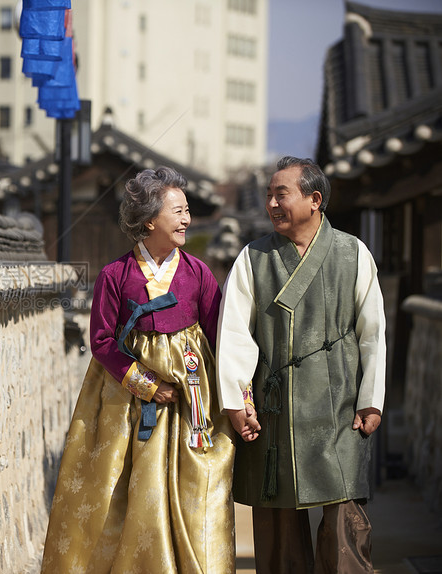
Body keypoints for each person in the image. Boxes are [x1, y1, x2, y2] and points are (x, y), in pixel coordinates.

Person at [41, 167, 235, 573]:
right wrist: (146, 383)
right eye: (177, 211)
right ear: (149, 220)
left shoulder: (198, 273)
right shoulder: (115, 276)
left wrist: (240, 396)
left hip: (189, 403)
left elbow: (222, 338)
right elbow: (101, 341)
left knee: (193, 491)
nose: (186, 220)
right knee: (117, 492)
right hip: (125, 402)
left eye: (187, 212)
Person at [216, 156, 386, 573]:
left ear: (315, 199)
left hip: (340, 406)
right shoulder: (253, 258)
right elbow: (235, 334)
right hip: (275, 412)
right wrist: (239, 401)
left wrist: (372, 399)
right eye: (269, 195)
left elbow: (373, 332)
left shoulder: (353, 253)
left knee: (346, 521)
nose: (272, 203)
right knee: (277, 529)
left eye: (282, 194)